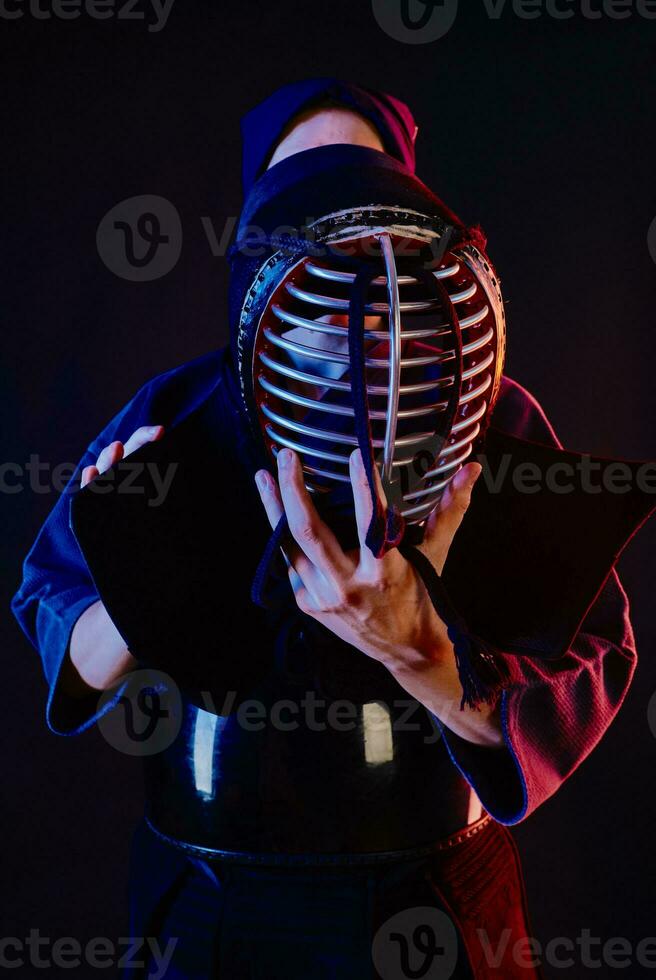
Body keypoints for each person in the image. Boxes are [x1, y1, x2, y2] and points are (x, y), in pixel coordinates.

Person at [12, 80, 648, 980]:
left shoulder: (496, 424)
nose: (344, 208)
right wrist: (135, 595)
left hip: (434, 897)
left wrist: (419, 650)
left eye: (370, 177)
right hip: (208, 899)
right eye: (308, 179)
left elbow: (594, 661)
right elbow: (52, 608)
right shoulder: (175, 417)